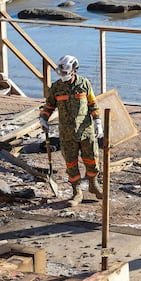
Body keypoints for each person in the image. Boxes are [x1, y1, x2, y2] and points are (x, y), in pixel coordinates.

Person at [39, 55, 103, 207]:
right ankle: (76, 192)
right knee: (71, 163)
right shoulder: (56, 88)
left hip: (85, 131)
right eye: (60, 73)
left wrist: (98, 122)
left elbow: (93, 103)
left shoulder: (84, 84)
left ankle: (93, 185)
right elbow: (48, 106)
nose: (62, 76)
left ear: (74, 71)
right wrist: (43, 119)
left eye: (65, 73)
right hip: (67, 133)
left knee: (92, 160)